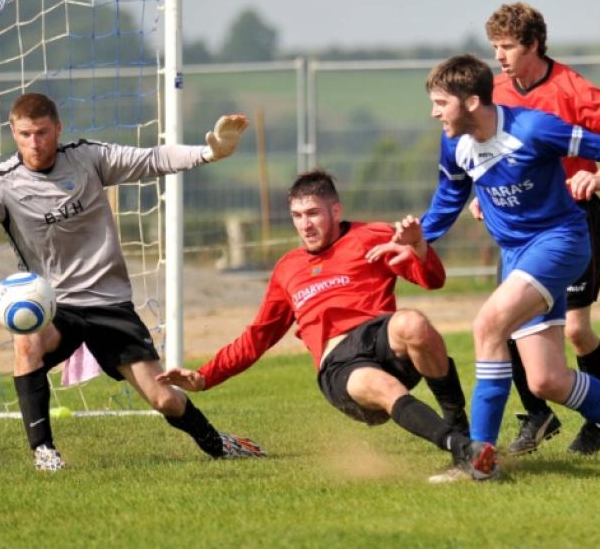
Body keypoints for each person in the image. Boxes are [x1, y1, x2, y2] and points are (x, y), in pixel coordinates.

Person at [377, 54, 600, 478]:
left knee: (488, 326)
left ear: (472, 102)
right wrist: (422, 239)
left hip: (561, 243)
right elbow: (450, 196)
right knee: (546, 380)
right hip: (517, 255)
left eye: (441, 102)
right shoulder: (454, 142)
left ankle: (479, 460)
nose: (434, 112)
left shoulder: (532, 126)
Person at [156, 169, 492, 482]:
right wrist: (205, 376)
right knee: (383, 387)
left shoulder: (371, 236)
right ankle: (465, 451)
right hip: (339, 364)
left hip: (380, 336)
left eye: (313, 213)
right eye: (297, 216)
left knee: (414, 323)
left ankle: (461, 436)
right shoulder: (288, 269)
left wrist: (419, 247)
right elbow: (258, 337)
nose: (305, 225)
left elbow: (433, 280)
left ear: (335, 211)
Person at [0, 92, 264, 470]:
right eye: (25, 134)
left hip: (109, 303)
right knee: (27, 340)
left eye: (42, 132)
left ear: (58, 129)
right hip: (55, 304)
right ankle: (44, 452)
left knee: (165, 399)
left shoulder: (88, 159)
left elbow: (151, 159)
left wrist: (208, 152)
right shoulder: (2, 185)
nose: (34, 143)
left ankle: (219, 444)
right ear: (12, 132)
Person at [475, 1, 600, 456]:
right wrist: (482, 192)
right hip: (520, 228)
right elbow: (482, 149)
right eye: (494, 47)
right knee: (505, 322)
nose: (499, 56)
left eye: (507, 46)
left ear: (533, 44)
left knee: (575, 330)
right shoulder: (494, 91)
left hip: (572, 222)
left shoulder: (573, 89)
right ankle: (538, 415)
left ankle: (597, 419)